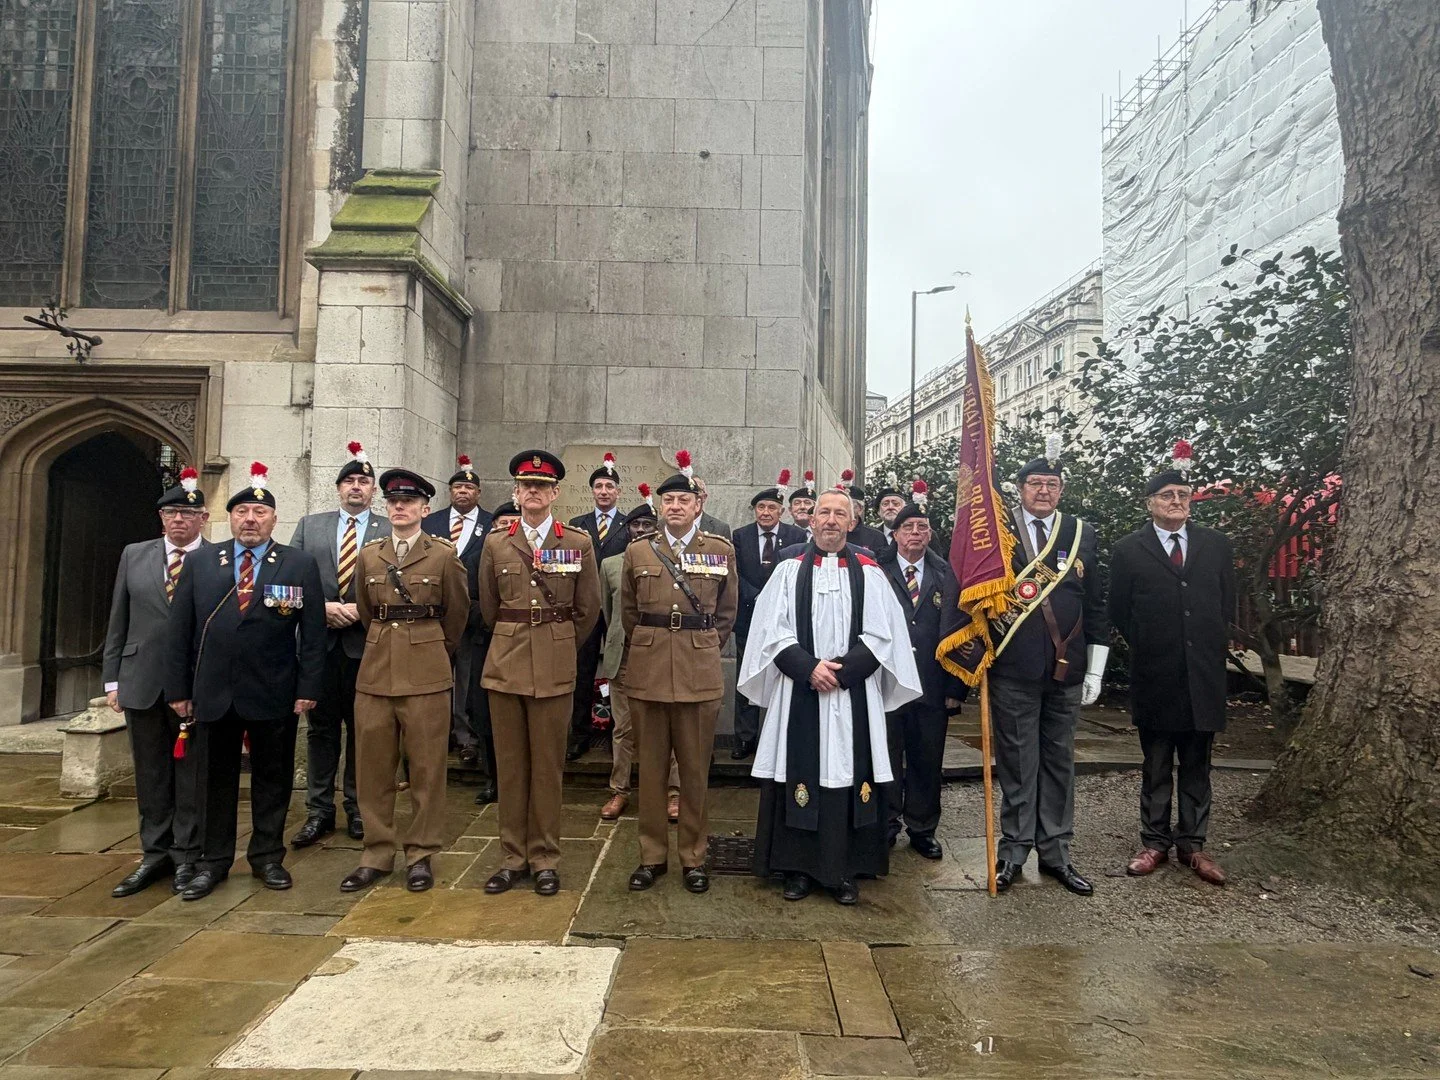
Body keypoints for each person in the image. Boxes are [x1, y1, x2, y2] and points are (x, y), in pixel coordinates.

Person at [741, 489, 921, 905]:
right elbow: (771, 630)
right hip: (800, 689)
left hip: (851, 693)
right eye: (824, 512)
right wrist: (808, 668)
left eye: (840, 513)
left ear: (852, 522)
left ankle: (843, 871)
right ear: (811, 519)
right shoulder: (788, 570)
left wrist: (843, 672)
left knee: (848, 773)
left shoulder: (870, 571)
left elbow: (883, 634)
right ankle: (797, 869)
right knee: (797, 771)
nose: (831, 520)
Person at [165, 462, 326, 900]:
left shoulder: (298, 564)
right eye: (241, 513)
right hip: (213, 693)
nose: (250, 520)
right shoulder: (202, 562)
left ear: (274, 519)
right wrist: (178, 690)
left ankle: (267, 856)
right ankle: (213, 861)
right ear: (229, 519)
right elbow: (179, 630)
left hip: (274, 691)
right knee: (215, 782)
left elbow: (312, 634)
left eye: (259, 513)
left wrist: (308, 689)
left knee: (273, 779)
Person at [1109, 447, 1235, 886]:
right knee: (1157, 762)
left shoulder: (1216, 545)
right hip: (1156, 674)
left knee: (1198, 763)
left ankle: (1193, 845)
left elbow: (1226, 603)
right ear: (1150, 503)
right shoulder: (1129, 550)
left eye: (1183, 494)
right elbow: (1120, 609)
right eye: (1167, 495)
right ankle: (1155, 842)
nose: (1177, 501)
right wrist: (1152, 643)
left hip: (1203, 674)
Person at [339, 469, 469, 893]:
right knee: (373, 767)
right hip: (376, 672)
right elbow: (365, 608)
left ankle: (421, 852)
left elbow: (456, 615)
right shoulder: (370, 555)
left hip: (426, 673)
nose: (400, 507)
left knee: (427, 769)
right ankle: (376, 852)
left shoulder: (443, 556)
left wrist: (432, 649)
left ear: (424, 509)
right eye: (394, 501)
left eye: (409, 502)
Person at [986, 449, 1109, 896]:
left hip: (1067, 668)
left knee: (1059, 761)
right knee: (1018, 763)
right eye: (1035, 483)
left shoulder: (1080, 533)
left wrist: (1096, 669)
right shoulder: (998, 532)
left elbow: (1095, 602)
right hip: (1013, 667)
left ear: (1061, 490)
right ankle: (1014, 851)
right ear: (1020, 489)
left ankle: (1056, 853)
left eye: (1052, 485)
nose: (1044, 491)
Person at [477, 450, 601, 896]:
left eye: (542, 486)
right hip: (506, 665)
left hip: (553, 665)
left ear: (555, 493)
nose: (533, 491)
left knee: (548, 767)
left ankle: (545, 857)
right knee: (510, 768)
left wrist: (557, 643)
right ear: (516, 492)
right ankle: (512, 857)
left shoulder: (577, 543)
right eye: (526, 485)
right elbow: (489, 607)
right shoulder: (496, 543)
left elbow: (588, 609)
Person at [622, 452, 738, 894]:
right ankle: (651, 856)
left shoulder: (720, 550)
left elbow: (726, 614)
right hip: (649, 672)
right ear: (659, 505)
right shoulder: (638, 550)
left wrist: (700, 646)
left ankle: (694, 857)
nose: (675, 506)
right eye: (668, 500)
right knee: (651, 772)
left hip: (697, 673)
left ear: (697, 505)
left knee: (693, 772)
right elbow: (629, 613)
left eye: (683, 500)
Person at [103, 468, 212, 897]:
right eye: (171, 513)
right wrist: (112, 679)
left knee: (191, 773)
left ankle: (187, 854)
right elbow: (119, 617)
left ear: (203, 518)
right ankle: (154, 853)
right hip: (141, 679)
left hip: (194, 685)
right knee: (150, 773)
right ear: (161, 517)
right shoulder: (135, 554)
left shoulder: (217, 558)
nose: (178, 520)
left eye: (188, 514)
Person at [286, 441, 389, 848]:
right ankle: (319, 811)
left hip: (369, 647)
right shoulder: (310, 526)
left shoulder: (387, 530)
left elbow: (397, 587)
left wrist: (361, 611)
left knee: (364, 731)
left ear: (373, 490)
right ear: (338, 488)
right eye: (349, 481)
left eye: (364, 481)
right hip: (320, 648)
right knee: (321, 731)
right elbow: (286, 583)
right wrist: (320, 608)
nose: (356, 487)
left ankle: (359, 808)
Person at [874, 487, 965, 859]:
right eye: (908, 527)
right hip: (886, 683)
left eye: (922, 527)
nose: (915, 533)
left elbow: (962, 631)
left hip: (932, 684)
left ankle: (923, 828)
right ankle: (885, 823)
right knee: (886, 757)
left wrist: (956, 687)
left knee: (927, 759)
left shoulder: (948, 573)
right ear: (894, 533)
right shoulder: (875, 570)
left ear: (930, 533)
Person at [598, 493, 681, 821]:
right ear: (628, 528)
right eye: (636, 525)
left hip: (660, 655)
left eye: (648, 524)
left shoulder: (670, 560)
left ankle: (673, 792)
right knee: (623, 728)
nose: (642, 530)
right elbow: (609, 612)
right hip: (624, 656)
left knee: (669, 727)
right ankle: (619, 790)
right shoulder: (610, 565)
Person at [421, 454, 492, 769]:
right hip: (431, 612)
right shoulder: (430, 523)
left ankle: (466, 738)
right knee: (433, 675)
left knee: (466, 677)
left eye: (469, 488)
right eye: (457, 487)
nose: (463, 491)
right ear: (450, 492)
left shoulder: (491, 524)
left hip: (470, 614)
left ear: (478, 493)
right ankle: (436, 736)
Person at [731, 471, 807, 760]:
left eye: (771, 508)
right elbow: (735, 574)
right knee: (746, 674)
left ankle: (781, 739)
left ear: (781, 511)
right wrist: (760, 598)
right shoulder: (740, 536)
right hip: (749, 618)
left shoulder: (796, 536)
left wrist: (775, 599)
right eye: (760, 507)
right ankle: (745, 738)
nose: (765, 512)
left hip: (785, 620)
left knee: (784, 676)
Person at [567, 452, 632, 761]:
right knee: (582, 670)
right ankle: (579, 734)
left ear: (619, 491)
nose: (604, 491)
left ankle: (617, 732)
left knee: (619, 669)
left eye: (609, 486)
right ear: (592, 491)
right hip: (586, 606)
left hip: (617, 608)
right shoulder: (576, 525)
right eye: (598, 486)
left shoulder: (628, 525)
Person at [467, 499, 520, 805]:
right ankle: (493, 779)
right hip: (487, 644)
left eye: (513, 524)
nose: (507, 529)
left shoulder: (534, 555)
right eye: (502, 524)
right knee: (485, 715)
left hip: (523, 646)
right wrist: (498, 619)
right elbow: (466, 602)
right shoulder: (476, 558)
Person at [842, 474, 888, 551]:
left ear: (860, 509)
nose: (843, 509)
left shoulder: (876, 537)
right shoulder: (829, 534)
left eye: (848, 505)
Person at [693, 475, 732, 540]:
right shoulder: (673, 526)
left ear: (704, 497)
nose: (691, 496)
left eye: (696, 491)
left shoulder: (720, 529)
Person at [872, 482, 908, 547]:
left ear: (904, 509)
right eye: (885, 504)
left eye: (896, 504)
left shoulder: (914, 535)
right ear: (879, 511)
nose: (890, 507)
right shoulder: (870, 536)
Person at [789, 471, 817, 536]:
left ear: (815, 508)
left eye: (807, 503)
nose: (802, 507)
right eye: (797, 503)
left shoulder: (822, 534)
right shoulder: (783, 535)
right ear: (790, 510)